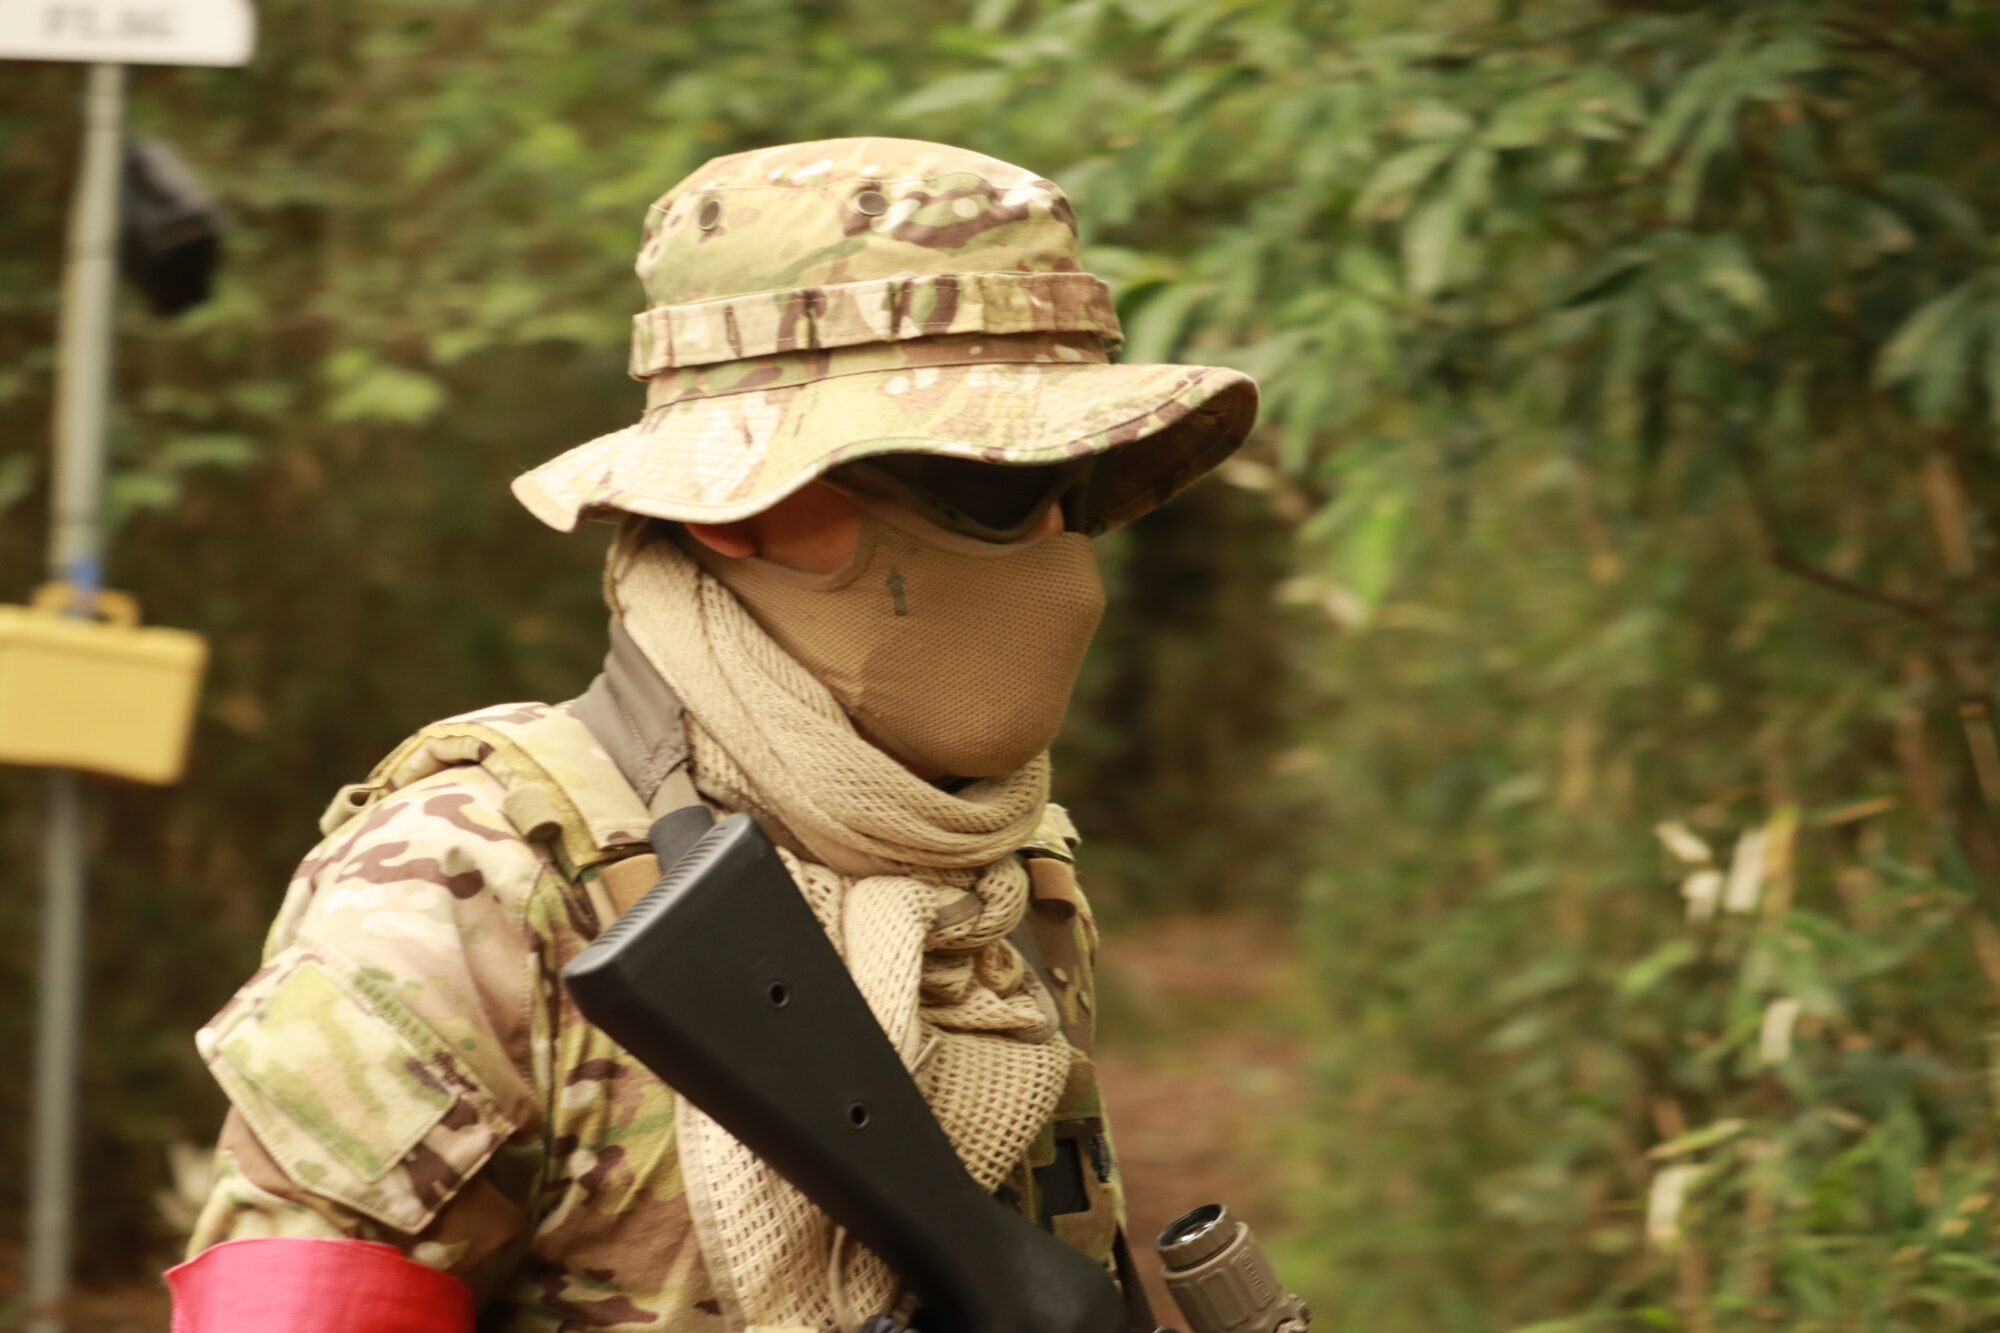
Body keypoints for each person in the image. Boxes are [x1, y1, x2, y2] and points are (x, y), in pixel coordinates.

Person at [167, 137, 1258, 1333]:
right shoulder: (471, 883)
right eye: (987, 479)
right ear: (738, 500)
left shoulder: (996, 865)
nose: (1053, 536)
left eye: (1080, 477)